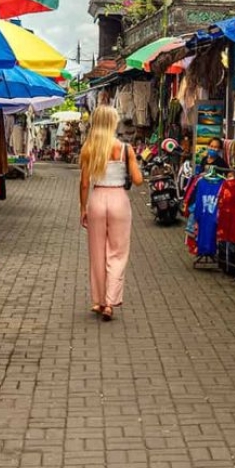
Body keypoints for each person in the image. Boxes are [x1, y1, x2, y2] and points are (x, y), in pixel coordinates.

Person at [78, 106, 143, 321]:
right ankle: (110, 302)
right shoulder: (125, 148)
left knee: (97, 252)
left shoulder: (89, 147)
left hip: (97, 199)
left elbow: (85, 183)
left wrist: (83, 207)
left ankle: (99, 301)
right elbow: (138, 180)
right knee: (117, 252)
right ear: (113, 123)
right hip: (119, 201)